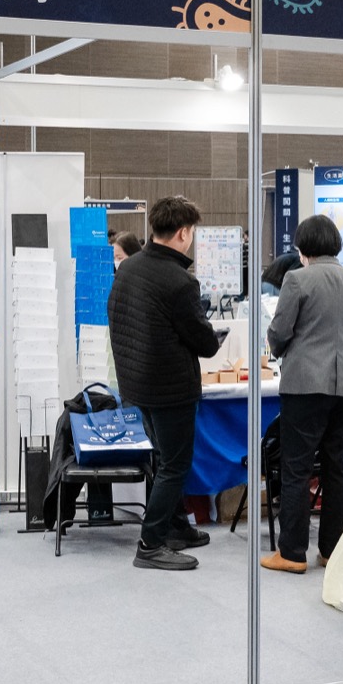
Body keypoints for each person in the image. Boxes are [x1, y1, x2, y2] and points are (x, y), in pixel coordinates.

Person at [106, 196, 221, 570]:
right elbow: (205, 343)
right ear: (184, 233)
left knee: (162, 458)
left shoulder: (128, 268)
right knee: (175, 465)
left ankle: (175, 527)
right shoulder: (180, 282)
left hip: (137, 385)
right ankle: (151, 543)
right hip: (170, 388)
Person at [260, 215, 343, 574]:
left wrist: (280, 348)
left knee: (296, 467)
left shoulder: (296, 279)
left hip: (305, 385)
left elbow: (279, 334)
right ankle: (332, 551)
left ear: (302, 248)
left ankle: (292, 553)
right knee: (338, 468)